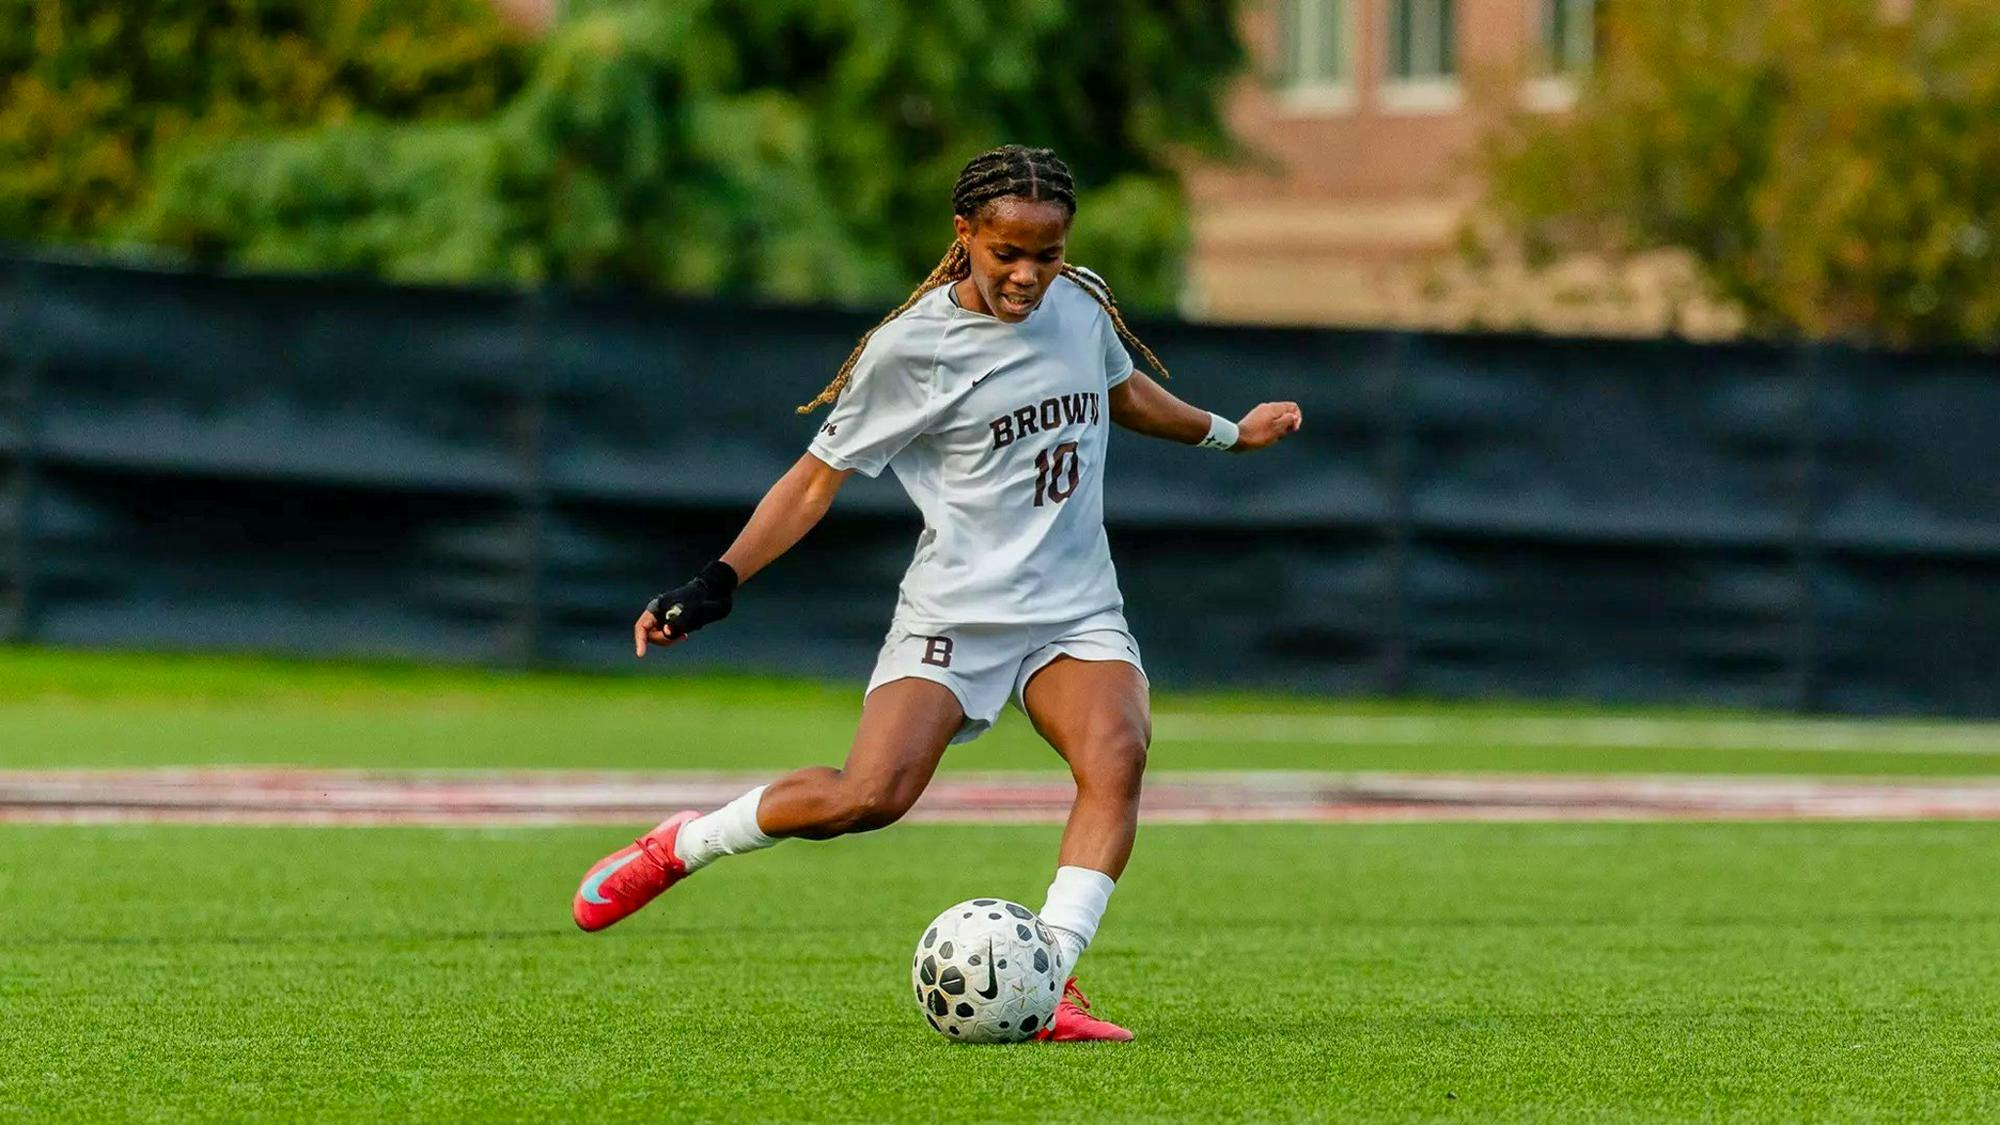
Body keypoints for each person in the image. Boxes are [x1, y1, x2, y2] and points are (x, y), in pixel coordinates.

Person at [571, 144, 1303, 1041]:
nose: (1030, 275)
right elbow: (813, 482)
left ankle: (1051, 985)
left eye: (1049, 253)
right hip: (957, 613)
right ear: (965, 236)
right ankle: (683, 843)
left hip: (1074, 607)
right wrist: (716, 580)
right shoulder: (911, 347)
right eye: (1009, 254)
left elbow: (1123, 392)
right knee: (867, 797)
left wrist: (1231, 434)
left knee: (1116, 757)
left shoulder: (1082, 303)